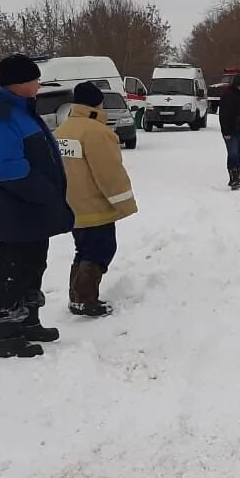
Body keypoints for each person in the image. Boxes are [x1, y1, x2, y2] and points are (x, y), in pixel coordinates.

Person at [0, 53, 74, 358]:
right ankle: (7, 334)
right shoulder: (0, 115)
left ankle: (28, 321)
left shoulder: (21, 109)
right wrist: (45, 192)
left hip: (31, 207)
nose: (39, 83)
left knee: (34, 263)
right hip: (14, 208)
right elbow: (7, 167)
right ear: (18, 83)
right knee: (14, 268)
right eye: (34, 79)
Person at [54, 81, 138, 317]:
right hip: (95, 206)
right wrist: (124, 204)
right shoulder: (98, 133)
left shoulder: (62, 131)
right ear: (97, 102)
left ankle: (77, 295)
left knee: (83, 249)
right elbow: (109, 173)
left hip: (71, 207)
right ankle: (85, 299)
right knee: (100, 250)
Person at [217, 73, 240, 191]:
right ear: (238, 84)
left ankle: (237, 177)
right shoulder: (227, 95)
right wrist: (226, 131)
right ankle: (233, 179)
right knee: (233, 154)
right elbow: (224, 115)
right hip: (231, 131)